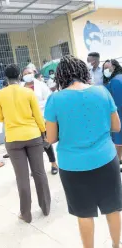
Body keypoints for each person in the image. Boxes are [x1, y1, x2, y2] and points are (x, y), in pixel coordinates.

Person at [45, 55, 122, 248]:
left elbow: (51, 138)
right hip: (106, 159)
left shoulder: (55, 99)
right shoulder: (102, 91)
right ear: (83, 72)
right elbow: (116, 126)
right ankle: (115, 245)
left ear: (60, 76)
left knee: (84, 213)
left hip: (73, 166)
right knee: (113, 209)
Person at [0, 64, 51, 223]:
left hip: (13, 139)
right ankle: (45, 207)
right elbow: (38, 116)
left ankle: (26, 214)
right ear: (19, 75)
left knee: (22, 177)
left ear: (5, 77)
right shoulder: (28, 92)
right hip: (33, 136)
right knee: (39, 173)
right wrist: (43, 132)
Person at [22, 67, 58, 175]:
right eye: (25, 73)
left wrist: (35, 106)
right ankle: (36, 168)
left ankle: (53, 163)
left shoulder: (41, 85)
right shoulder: (21, 87)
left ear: (34, 73)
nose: (28, 74)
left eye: (29, 72)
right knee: (32, 145)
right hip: (27, 120)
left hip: (42, 117)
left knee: (46, 142)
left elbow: (48, 100)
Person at [103, 59, 122, 164]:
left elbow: (117, 103)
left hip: (119, 114)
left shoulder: (115, 80)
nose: (106, 70)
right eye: (104, 68)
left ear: (114, 67)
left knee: (118, 140)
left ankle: (117, 161)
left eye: (107, 68)